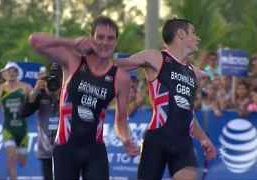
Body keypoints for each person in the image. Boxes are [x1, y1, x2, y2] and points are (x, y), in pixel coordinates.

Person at [78, 17, 217, 179]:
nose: (197, 38)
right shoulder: (155, 58)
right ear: (180, 34)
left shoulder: (195, 73)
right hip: (157, 140)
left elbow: (187, 113)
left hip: (183, 144)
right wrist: (83, 64)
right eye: (193, 33)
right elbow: (117, 65)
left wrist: (204, 139)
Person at [28, 16, 140, 179]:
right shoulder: (73, 61)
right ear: (91, 38)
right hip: (65, 148)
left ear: (116, 42)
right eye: (100, 37)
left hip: (95, 150)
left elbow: (121, 119)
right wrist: (72, 43)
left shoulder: (120, 77)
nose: (105, 43)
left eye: (110, 38)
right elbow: (35, 40)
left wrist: (126, 140)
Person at [0, 62, 33, 180]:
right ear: (4, 74)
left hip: (22, 129)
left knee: (21, 161)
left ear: (17, 73)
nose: (11, 74)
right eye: (8, 71)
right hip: (8, 128)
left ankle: (11, 171)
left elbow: (35, 101)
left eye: (14, 71)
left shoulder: (25, 87)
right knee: (11, 156)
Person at [22, 62, 62, 180]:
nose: (54, 82)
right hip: (46, 148)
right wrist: (35, 91)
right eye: (51, 78)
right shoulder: (41, 94)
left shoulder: (69, 90)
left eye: (58, 78)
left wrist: (58, 94)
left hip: (65, 146)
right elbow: (24, 113)